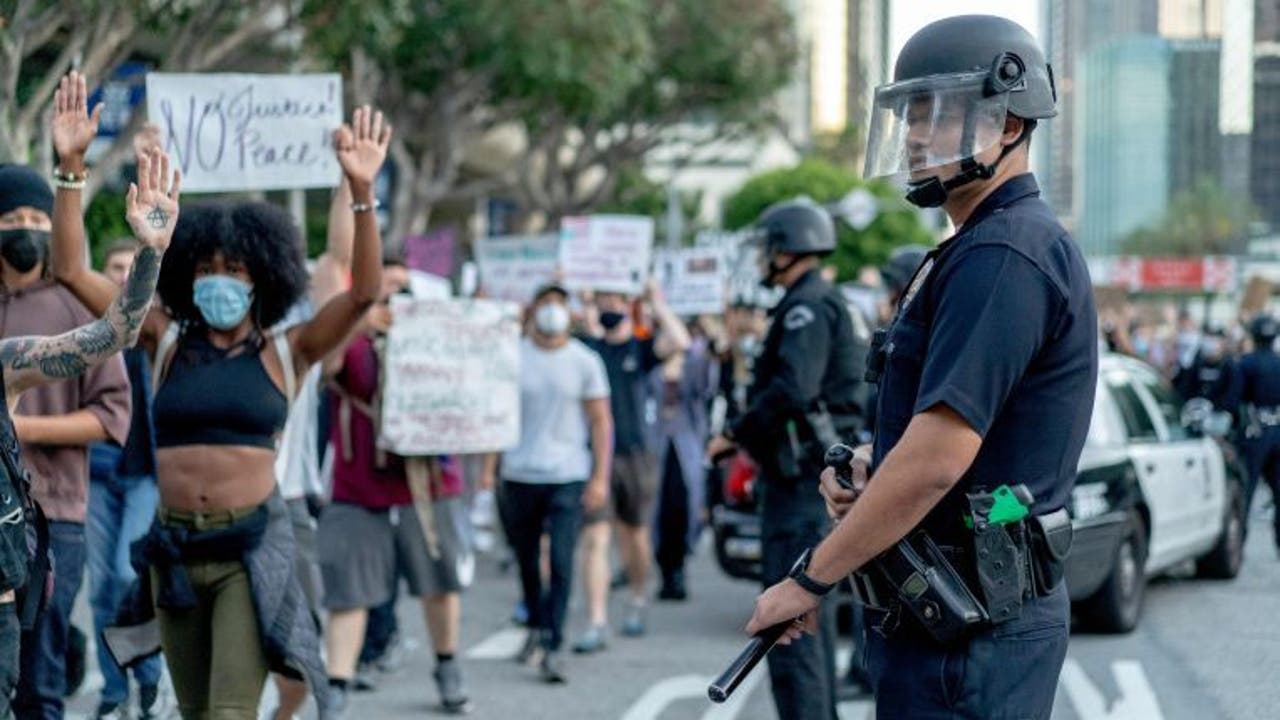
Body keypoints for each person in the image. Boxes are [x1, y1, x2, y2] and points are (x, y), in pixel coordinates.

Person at [745, 16, 1096, 720]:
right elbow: (967, 452)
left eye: (938, 112)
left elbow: (939, 457)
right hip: (954, 619)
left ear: (1009, 122)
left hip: (970, 632)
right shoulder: (980, 248)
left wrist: (809, 580)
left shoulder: (1003, 256)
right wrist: (877, 465)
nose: (913, 134)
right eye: (909, 113)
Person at [49, 71, 390, 718]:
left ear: (262, 279)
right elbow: (71, 271)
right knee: (198, 710)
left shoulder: (290, 350)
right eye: (205, 270)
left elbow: (364, 294)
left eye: (234, 271)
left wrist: (363, 193)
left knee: (231, 712)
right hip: (174, 552)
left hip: (249, 550)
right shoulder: (162, 338)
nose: (218, 283)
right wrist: (70, 168)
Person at [0, 137, 174, 719]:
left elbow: (114, 336)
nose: (23, 228)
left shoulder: (8, 360)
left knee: (33, 688)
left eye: (31, 216)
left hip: (26, 552)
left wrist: (149, 254)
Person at [706, 197, 865, 720]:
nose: (761, 259)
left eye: (767, 248)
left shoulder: (808, 305)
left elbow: (792, 389)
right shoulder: (813, 300)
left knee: (790, 631)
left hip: (799, 488)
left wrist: (736, 433)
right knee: (803, 631)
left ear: (786, 248)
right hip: (802, 483)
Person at [318, 258, 473, 715]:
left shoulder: (440, 338)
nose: (393, 302)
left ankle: (448, 666)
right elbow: (327, 366)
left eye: (402, 292)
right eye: (383, 293)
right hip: (359, 482)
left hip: (427, 483)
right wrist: (358, 320)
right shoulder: (354, 338)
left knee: (439, 583)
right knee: (349, 587)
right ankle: (338, 684)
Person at [484, 283, 612, 684]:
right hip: (519, 476)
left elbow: (600, 421)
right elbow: (496, 417)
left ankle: (553, 642)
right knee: (525, 561)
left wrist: (599, 477)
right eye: (546, 303)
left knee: (559, 559)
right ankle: (537, 625)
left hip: (567, 476)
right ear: (533, 309)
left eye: (560, 303)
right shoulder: (512, 357)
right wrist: (489, 470)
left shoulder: (584, 361)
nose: (553, 311)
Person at [82, 240, 176, 720]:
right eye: (115, 268)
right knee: (100, 588)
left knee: (128, 573)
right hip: (98, 473)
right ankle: (115, 690)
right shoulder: (90, 331)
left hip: (145, 476)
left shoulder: (160, 332)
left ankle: (148, 674)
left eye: (131, 268)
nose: (123, 276)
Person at [578, 282, 689, 645]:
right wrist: (580, 302)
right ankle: (597, 619)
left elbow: (680, 341)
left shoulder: (638, 349)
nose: (608, 304)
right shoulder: (589, 350)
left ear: (627, 304)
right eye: (602, 298)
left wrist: (656, 301)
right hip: (596, 457)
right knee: (597, 536)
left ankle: (638, 595)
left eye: (614, 298)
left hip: (635, 455)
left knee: (634, 535)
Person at [647, 323, 718, 601]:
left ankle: (679, 570)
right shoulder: (651, 373)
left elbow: (707, 385)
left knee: (682, 508)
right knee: (658, 511)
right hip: (658, 447)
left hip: (686, 448)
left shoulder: (694, 368)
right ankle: (663, 572)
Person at [1233, 314, 1280, 550]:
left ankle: (1238, 542)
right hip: (1278, 431)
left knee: (1246, 490)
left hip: (1255, 432)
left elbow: (1235, 400)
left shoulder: (1246, 363)